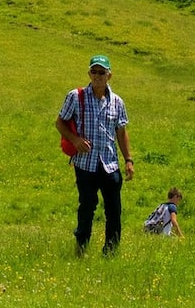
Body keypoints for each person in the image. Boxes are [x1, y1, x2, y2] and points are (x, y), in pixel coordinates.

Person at [56, 54, 133, 257]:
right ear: (89, 74)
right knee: (87, 208)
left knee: (114, 211)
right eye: (94, 72)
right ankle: (80, 250)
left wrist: (128, 160)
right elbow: (60, 122)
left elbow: (121, 132)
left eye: (102, 72)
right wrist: (75, 140)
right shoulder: (76, 96)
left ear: (109, 75)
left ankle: (111, 253)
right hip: (85, 164)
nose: (98, 76)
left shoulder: (117, 102)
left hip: (110, 164)